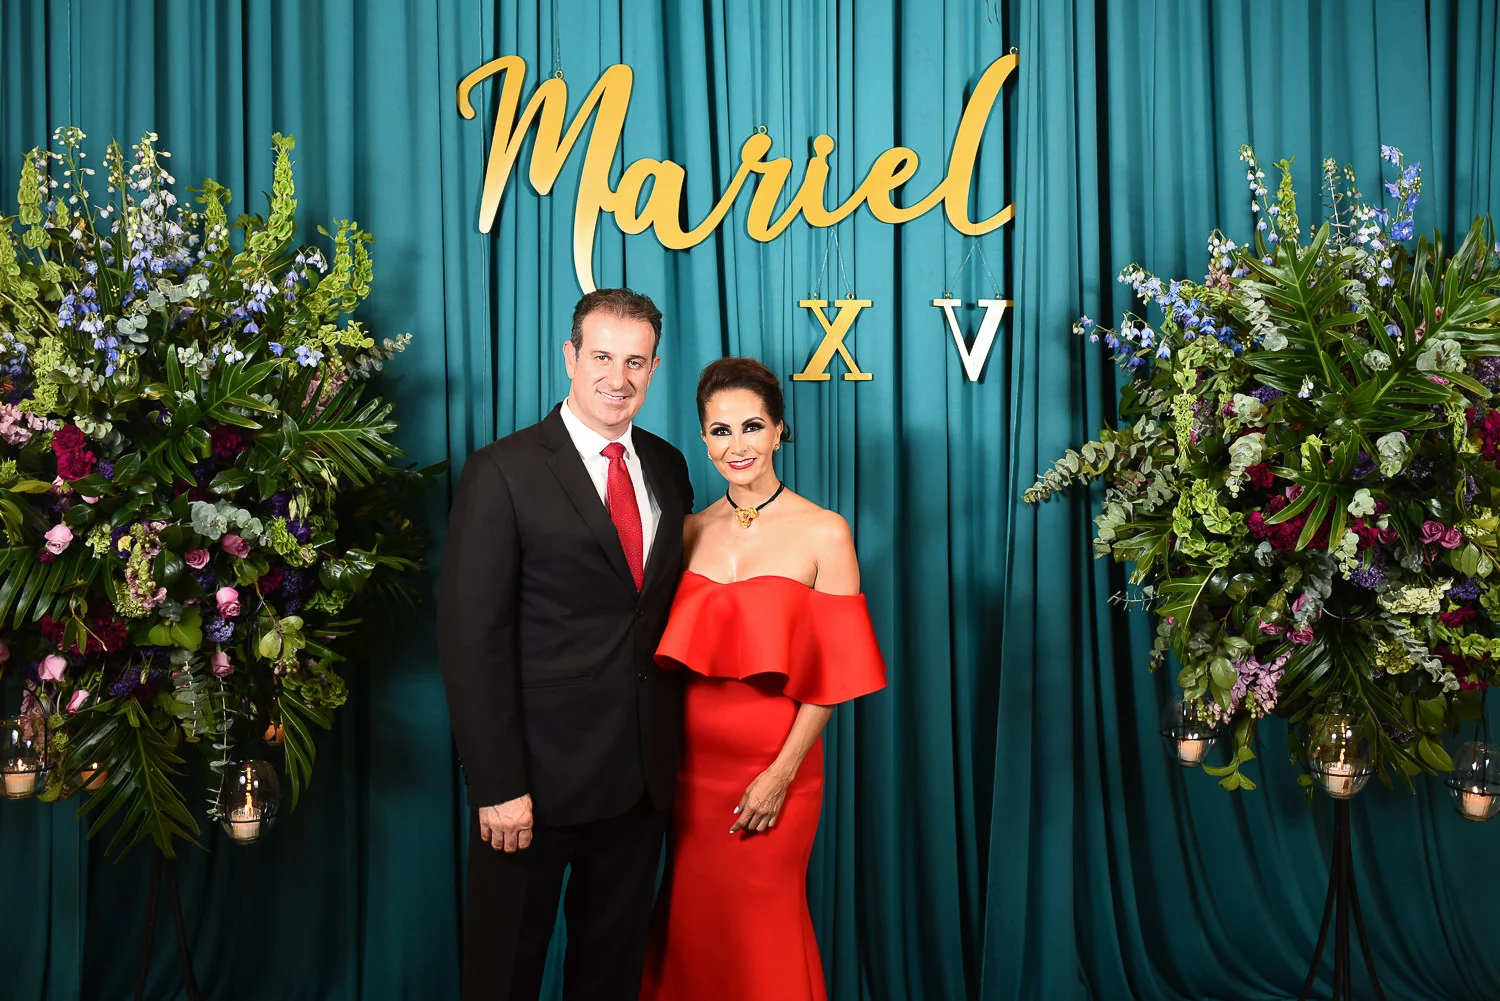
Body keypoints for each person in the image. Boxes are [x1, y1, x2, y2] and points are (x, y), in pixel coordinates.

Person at [437, 288, 694, 1001]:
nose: (619, 377)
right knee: (503, 977)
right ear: (570, 357)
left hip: (638, 782)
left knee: (610, 977)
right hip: (533, 786)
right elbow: (470, 639)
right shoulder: (503, 470)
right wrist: (497, 785)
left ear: (655, 367)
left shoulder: (669, 466)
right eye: (603, 357)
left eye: (636, 361)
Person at [640, 357, 887, 1001]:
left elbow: (834, 675)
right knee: (692, 925)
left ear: (779, 430)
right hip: (686, 773)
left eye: (752, 426)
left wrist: (780, 775)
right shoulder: (687, 531)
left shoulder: (824, 531)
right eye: (720, 431)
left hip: (779, 767)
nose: (737, 445)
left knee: (761, 921)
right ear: (703, 439)